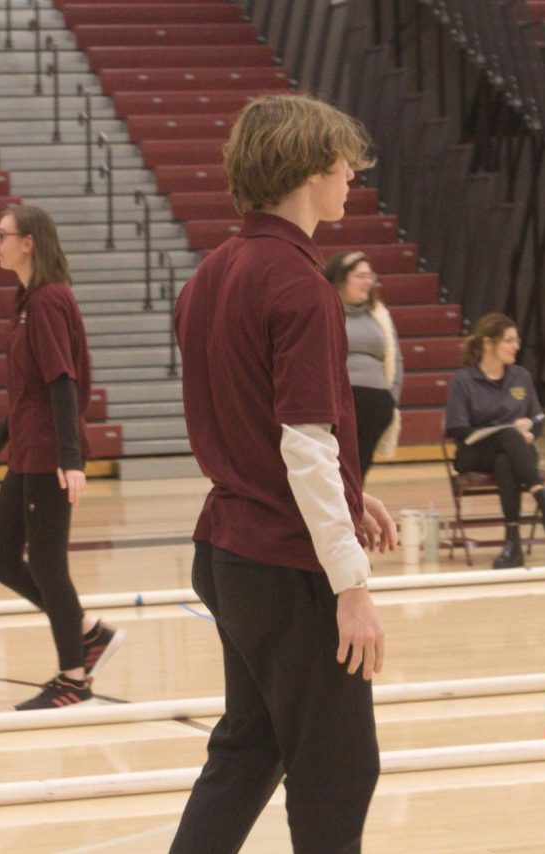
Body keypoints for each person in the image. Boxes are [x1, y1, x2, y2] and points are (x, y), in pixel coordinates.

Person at [170, 94, 397, 854]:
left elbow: (259, 432)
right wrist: (352, 584)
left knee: (249, 747)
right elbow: (302, 444)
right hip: (283, 563)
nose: (349, 178)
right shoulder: (300, 284)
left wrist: (353, 498)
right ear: (309, 168)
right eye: (343, 165)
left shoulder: (210, 273)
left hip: (228, 551)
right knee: (339, 768)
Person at [0, 205, 124, 711]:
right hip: (27, 450)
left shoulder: (48, 301)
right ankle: (89, 633)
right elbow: (28, 394)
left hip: (49, 453)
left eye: (0, 235)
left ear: (29, 242)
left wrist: (71, 458)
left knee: (48, 564)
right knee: (0, 558)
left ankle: (75, 679)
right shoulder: (27, 300)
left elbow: (61, 382)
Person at [444, 313, 545, 569]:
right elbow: (458, 429)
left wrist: (529, 433)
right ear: (488, 344)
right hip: (474, 453)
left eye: (517, 340)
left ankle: (513, 545)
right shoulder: (464, 380)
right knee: (507, 436)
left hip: (516, 454)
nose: (516, 346)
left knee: (506, 461)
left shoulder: (521, 377)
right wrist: (502, 433)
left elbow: (537, 420)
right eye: (509, 340)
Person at [325, 250, 402, 479]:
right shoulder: (325, 311)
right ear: (340, 278)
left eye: (370, 276)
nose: (368, 282)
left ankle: (352, 512)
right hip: (340, 404)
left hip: (377, 404)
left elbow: (396, 358)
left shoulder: (379, 315)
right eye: (360, 276)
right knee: (336, 469)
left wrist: (391, 398)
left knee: (358, 471)